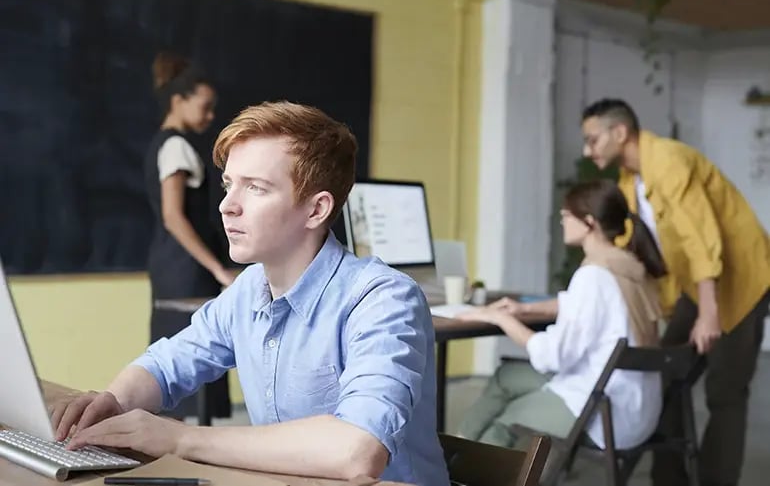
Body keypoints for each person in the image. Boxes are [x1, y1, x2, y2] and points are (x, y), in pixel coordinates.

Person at [50, 101, 449, 485]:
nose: (227, 206)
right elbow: (166, 365)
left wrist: (181, 439)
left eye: (255, 188)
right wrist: (113, 401)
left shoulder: (383, 299)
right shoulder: (249, 290)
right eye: (228, 185)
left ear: (316, 209)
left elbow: (358, 450)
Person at [581, 98, 770, 486]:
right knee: (662, 376)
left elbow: (700, 237)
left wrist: (710, 314)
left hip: (742, 279)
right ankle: (669, 480)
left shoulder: (667, 161)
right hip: (698, 286)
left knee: (726, 392)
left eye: (593, 139)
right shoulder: (629, 181)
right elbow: (640, 251)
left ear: (620, 133)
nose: (588, 150)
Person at [456, 179, 665, 454]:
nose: (562, 222)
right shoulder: (629, 268)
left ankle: (455, 465)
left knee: (504, 422)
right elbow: (583, 306)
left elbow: (553, 355)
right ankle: (452, 457)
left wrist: (502, 319)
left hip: (602, 413)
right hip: (636, 407)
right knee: (506, 376)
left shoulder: (593, 277)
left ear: (589, 222)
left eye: (566, 216)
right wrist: (525, 309)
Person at [143, 52, 236, 421]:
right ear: (178, 100)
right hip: (185, 270)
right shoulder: (175, 146)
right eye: (205, 107)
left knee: (185, 376)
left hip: (177, 268)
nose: (210, 116)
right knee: (182, 370)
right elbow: (173, 217)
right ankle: (177, 467)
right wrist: (219, 270)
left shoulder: (169, 144)